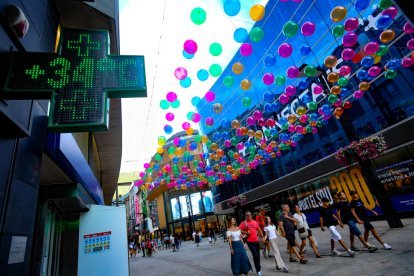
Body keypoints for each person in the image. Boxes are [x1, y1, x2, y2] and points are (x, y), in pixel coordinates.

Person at [239, 210, 265, 276]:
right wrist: (246, 232)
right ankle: (258, 270)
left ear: (251, 215)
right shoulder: (243, 223)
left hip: (256, 241)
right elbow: (238, 230)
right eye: (247, 215)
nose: (248, 216)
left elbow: (259, 230)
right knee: (255, 255)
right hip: (250, 241)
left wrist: (262, 237)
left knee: (258, 255)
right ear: (245, 216)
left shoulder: (255, 222)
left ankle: (258, 269)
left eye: (249, 215)